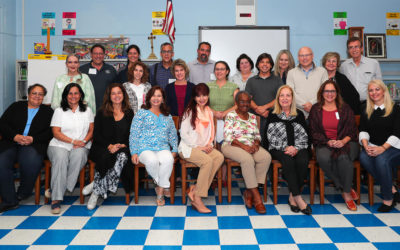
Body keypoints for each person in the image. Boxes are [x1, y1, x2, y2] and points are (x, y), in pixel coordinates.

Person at [0, 84, 53, 213]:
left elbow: (51, 132)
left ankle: (23, 193)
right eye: (34, 93)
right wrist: (15, 136)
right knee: (1, 163)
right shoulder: (16, 106)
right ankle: (10, 201)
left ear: (43, 98)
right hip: (11, 142)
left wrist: (33, 139)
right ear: (28, 95)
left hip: (34, 144)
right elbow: (2, 123)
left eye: (40, 94)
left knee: (30, 162)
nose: (37, 96)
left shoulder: (48, 112)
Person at [309, 80, 359, 211]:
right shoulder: (316, 109)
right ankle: (344, 187)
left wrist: (342, 141)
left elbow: (352, 130)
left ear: (337, 93)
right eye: (327, 91)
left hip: (347, 142)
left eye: (332, 91)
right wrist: (328, 141)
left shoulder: (345, 108)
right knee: (324, 158)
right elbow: (313, 131)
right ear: (322, 93)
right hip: (324, 142)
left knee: (343, 158)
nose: (329, 94)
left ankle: (347, 195)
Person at [84, 83, 134, 210]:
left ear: (123, 95)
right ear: (109, 96)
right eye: (113, 93)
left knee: (122, 156)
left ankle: (96, 190)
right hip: (103, 146)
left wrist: (123, 144)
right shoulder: (102, 112)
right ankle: (99, 188)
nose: (117, 96)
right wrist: (109, 146)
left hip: (123, 146)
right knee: (108, 156)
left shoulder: (129, 112)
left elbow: (132, 134)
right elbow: (97, 135)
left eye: (119, 93)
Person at [47, 83, 94, 214]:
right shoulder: (59, 111)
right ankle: (56, 200)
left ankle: (56, 189)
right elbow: (56, 132)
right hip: (59, 144)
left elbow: (91, 130)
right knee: (61, 159)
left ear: (80, 95)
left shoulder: (87, 110)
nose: (73, 96)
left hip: (82, 145)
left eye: (76, 93)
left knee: (79, 157)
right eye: (70, 93)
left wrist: (83, 141)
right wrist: (73, 141)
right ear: (66, 96)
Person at [264, 85, 311, 215]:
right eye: (282, 95)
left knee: (303, 160)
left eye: (288, 95)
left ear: (292, 98)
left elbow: (304, 135)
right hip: (278, 148)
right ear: (278, 98)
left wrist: (295, 148)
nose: (285, 98)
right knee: (288, 159)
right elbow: (270, 137)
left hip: (298, 146)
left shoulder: (299, 114)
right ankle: (298, 198)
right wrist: (286, 147)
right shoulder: (273, 114)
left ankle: (292, 196)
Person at [222, 91, 271, 214]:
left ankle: (248, 191)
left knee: (265, 157)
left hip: (250, 146)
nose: (245, 104)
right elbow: (228, 137)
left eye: (247, 101)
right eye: (242, 101)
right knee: (247, 160)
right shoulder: (231, 115)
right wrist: (244, 146)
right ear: (237, 103)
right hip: (231, 145)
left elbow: (257, 135)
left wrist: (256, 144)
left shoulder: (253, 117)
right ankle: (257, 197)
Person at [179, 83, 224, 213]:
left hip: (204, 147)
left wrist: (209, 145)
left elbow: (211, 132)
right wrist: (198, 147)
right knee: (207, 161)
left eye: (204, 95)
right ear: (194, 98)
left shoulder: (209, 111)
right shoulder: (190, 111)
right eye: (198, 96)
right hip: (188, 148)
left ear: (208, 96)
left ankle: (195, 189)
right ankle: (197, 199)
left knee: (219, 157)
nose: (202, 98)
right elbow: (183, 134)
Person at [129, 86, 178, 206]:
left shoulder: (167, 115)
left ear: (163, 99)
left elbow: (173, 134)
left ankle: (159, 190)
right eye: (153, 95)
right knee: (152, 161)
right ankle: (163, 186)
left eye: (159, 96)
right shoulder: (141, 113)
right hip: (144, 148)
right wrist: (134, 152)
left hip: (163, 147)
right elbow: (134, 134)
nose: (156, 98)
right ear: (149, 98)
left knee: (168, 159)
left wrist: (175, 149)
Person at [359, 80, 400, 212]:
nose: (374, 93)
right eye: (371, 90)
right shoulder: (366, 109)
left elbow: (397, 133)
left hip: (394, 147)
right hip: (373, 145)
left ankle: (388, 199)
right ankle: (391, 188)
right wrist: (366, 147)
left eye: (377, 89)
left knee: (382, 160)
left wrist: (382, 148)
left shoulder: (395, 108)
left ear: (383, 91)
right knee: (363, 157)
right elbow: (363, 130)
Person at [245, 53, 283, 139]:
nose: (265, 64)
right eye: (262, 62)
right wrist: (257, 109)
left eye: (267, 62)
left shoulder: (277, 80)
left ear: (271, 65)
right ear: (258, 65)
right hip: (254, 117)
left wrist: (265, 108)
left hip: (273, 116)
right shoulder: (251, 81)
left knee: (272, 143)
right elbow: (247, 98)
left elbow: (280, 97)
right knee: (255, 142)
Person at [287, 47, 328, 117]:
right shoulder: (291, 73)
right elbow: (290, 93)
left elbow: (325, 91)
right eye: (301, 56)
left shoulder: (322, 71)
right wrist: (304, 106)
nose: (304, 58)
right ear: (298, 57)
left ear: (312, 56)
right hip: (297, 114)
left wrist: (312, 104)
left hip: (318, 112)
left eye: (307, 55)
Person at [340, 37, 382, 103]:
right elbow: (343, 86)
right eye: (351, 47)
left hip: (369, 102)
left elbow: (380, 84)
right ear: (348, 50)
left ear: (361, 49)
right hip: (350, 103)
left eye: (356, 47)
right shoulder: (344, 66)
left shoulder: (373, 63)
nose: (354, 50)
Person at [207, 61, 239, 143]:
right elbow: (202, 104)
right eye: (217, 69)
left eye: (222, 69)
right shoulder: (208, 86)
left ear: (227, 71)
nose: (219, 71)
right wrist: (214, 112)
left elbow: (238, 105)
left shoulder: (234, 87)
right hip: (210, 121)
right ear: (214, 71)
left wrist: (224, 113)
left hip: (229, 122)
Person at [79, 44, 117, 109]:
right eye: (95, 53)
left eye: (100, 53)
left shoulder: (111, 69)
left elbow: (115, 88)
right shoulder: (82, 70)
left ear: (104, 55)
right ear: (91, 54)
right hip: (87, 107)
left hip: (107, 107)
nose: (98, 56)